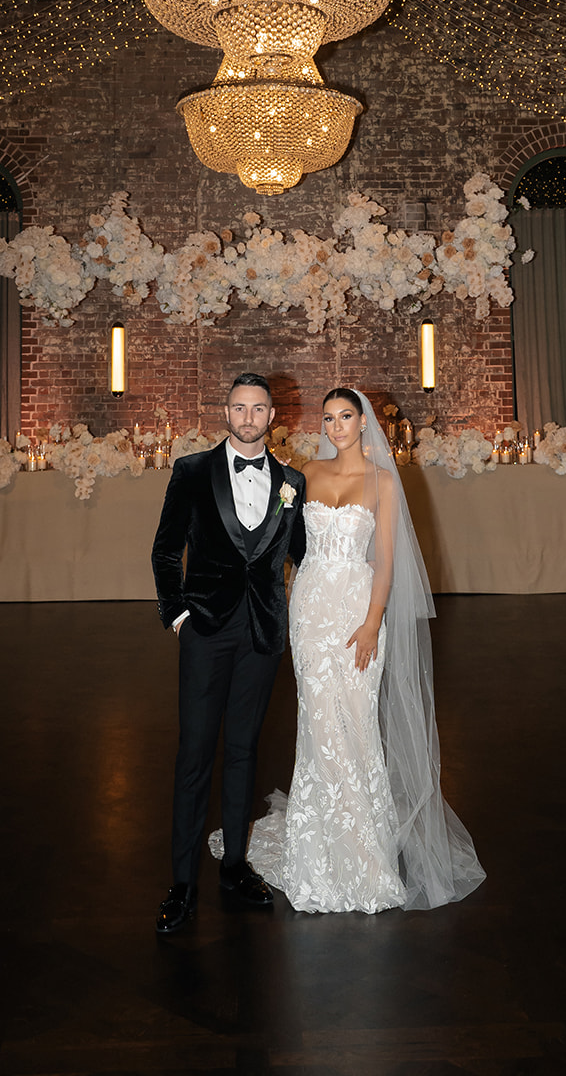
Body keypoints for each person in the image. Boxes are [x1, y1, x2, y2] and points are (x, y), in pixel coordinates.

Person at [225, 387, 484, 913]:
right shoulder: (305, 475)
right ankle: (318, 847)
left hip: (358, 610)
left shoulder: (382, 481)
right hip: (311, 611)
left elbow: (386, 561)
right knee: (319, 722)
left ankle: (364, 848)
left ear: (363, 422)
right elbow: (284, 543)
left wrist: (371, 623)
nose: (336, 425)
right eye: (329, 418)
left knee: (357, 722)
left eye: (346, 416)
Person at [151, 372, 307, 934]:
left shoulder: (293, 482)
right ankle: (182, 884)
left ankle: (236, 867)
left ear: (272, 416)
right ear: (226, 412)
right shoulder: (192, 471)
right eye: (239, 408)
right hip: (206, 631)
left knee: (243, 750)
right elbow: (165, 549)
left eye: (257, 408)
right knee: (195, 754)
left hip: (262, 634)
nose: (247, 417)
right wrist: (178, 615)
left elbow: (303, 554)